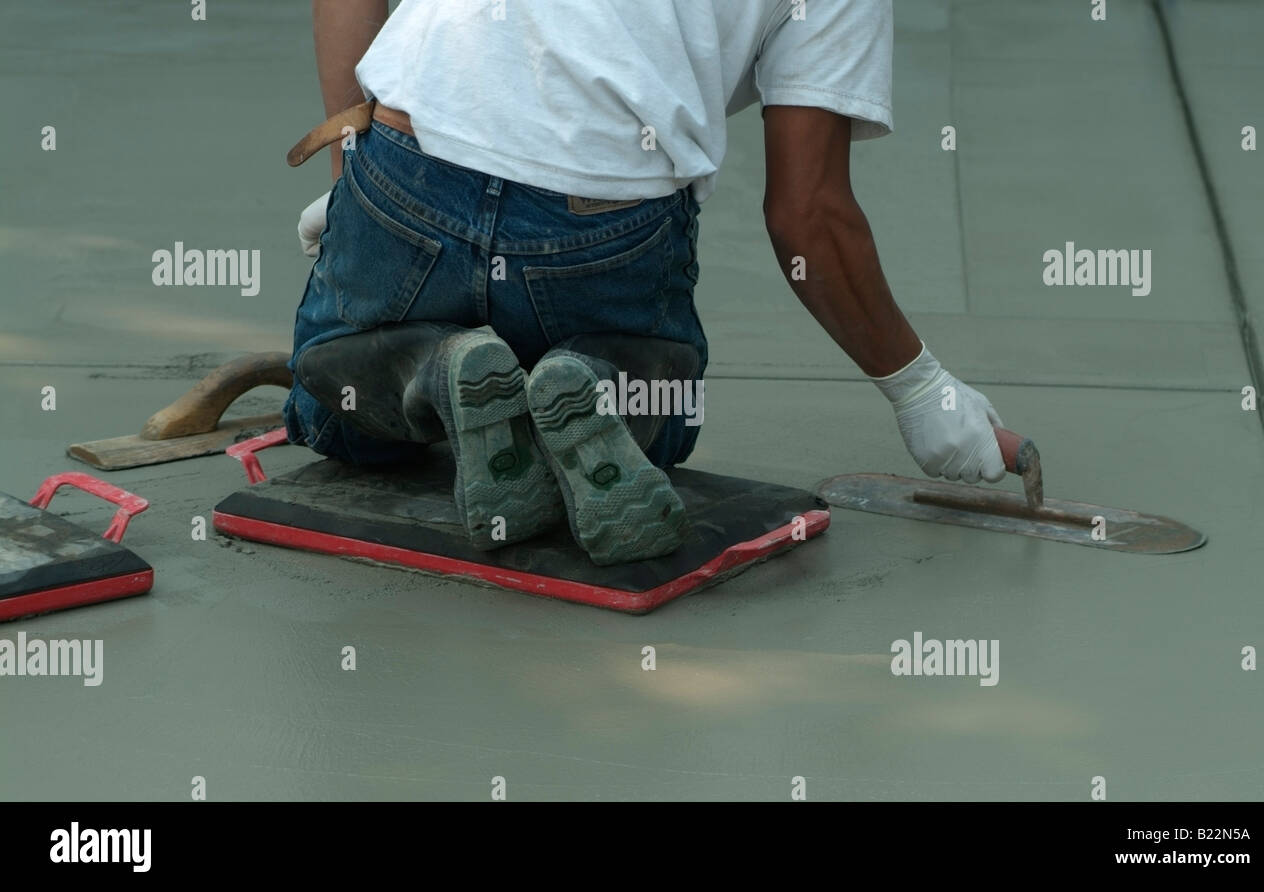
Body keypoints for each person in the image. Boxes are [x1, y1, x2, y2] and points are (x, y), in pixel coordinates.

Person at [284, 0, 1007, 567]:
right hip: (597, 233)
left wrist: (356, 191)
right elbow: (807, 215)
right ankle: (596, 378)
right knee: (662, 414)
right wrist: (919, 390)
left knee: (331, 406)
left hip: (411, 166)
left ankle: (431, 373)